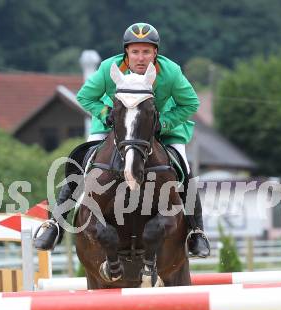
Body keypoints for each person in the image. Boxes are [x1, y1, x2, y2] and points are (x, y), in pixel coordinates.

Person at [34, 22, 210, 258]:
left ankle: (196, 231)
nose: (141, 57)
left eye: (146, 51)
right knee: (81, 162)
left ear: (155, 52)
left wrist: (164, 122)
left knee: (184, 168)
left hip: (161, 127)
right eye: (135, 51)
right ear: (126, 51)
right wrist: (107, 114)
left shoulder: (171, 72)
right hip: (116, 125)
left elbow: (191, 103)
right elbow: (85, 97)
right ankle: (54, 224)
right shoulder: (109, 68)